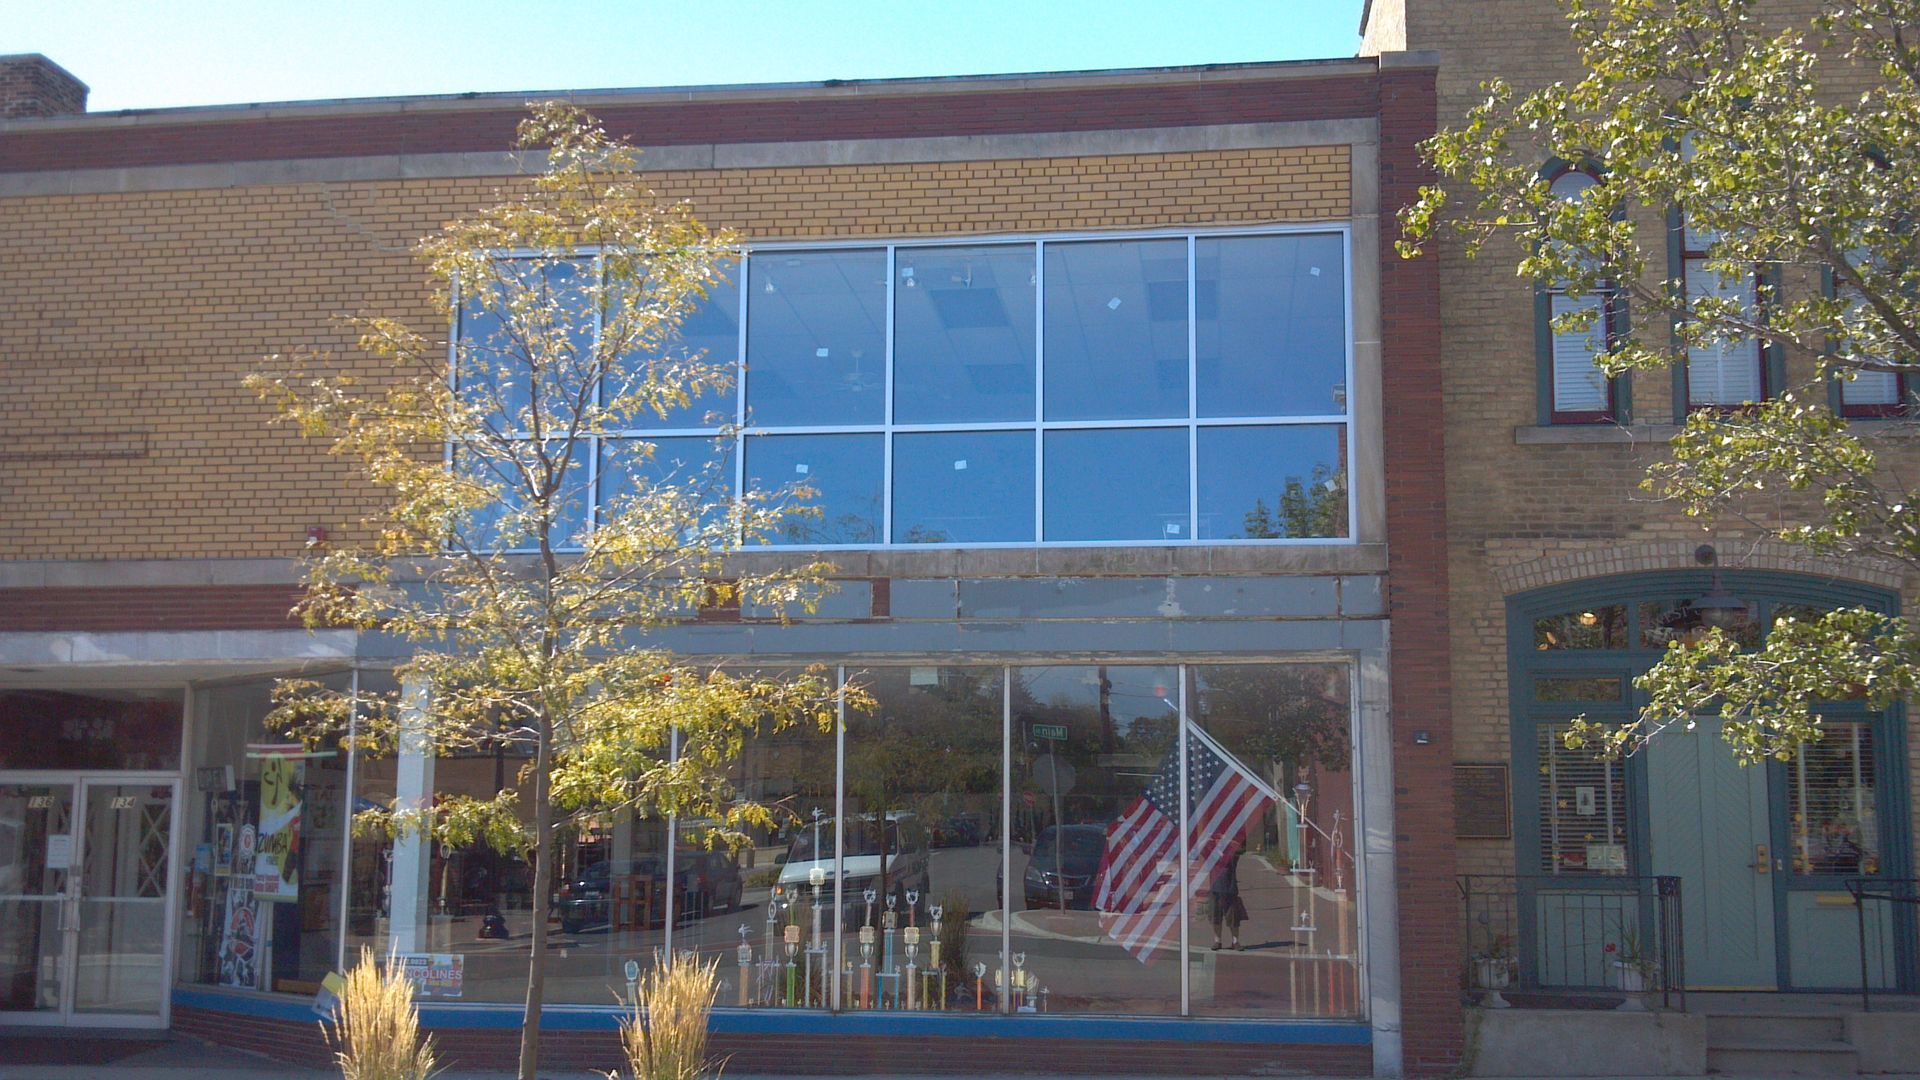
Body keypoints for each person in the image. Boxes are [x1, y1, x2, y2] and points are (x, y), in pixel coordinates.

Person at [1207, 841, 1248, 950]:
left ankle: (1235, 941)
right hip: (1215, 889)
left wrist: (1227, 839)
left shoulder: (1232, 854)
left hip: (1230, 890)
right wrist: (1209, 838)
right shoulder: (1212, 855)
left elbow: (1241, 848)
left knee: (1233, 919)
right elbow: (1201, 847)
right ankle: (1217, 941)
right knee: (1215, 917)